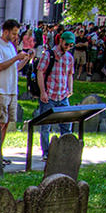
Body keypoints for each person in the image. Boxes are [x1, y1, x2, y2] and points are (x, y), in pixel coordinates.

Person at [0, 19, 31, 153]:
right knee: (0, 122)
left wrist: (25, 60)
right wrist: (16, 57)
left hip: (12, 89)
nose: (15, 36)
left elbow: (14, 68)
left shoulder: (11, 47)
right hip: (0, 89)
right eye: (13, 33)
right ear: (5, 31)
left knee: (7, 123)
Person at [35, 30, 76, 160]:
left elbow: (70, 74)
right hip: (49, 95)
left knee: (66, 126)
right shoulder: (49, 55)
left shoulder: (69, 58)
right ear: (61, 41)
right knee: (46, 127)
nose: (68, 47)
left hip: (62, 96)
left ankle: (65, 151)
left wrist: (70, 89)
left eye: (71, 45)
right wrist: (43, 92)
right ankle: (46, 153)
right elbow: (40, 72)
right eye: (66, 44)